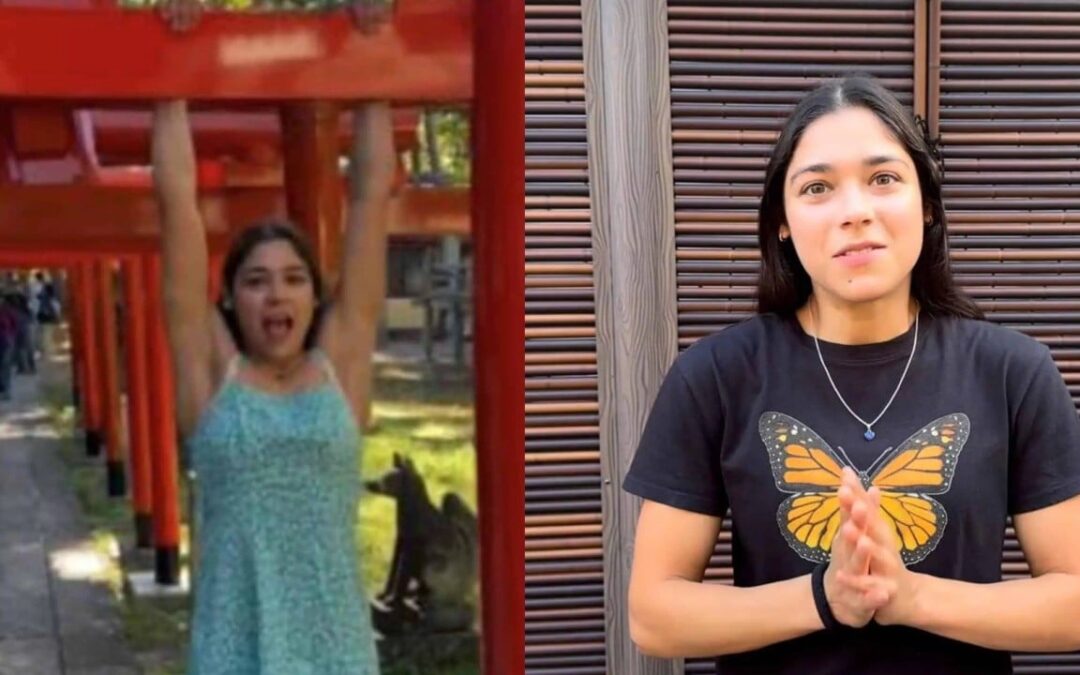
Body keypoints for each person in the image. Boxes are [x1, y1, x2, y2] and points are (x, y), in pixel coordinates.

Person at [623, 75, 1080, 674]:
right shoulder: (714, 376)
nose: (855, 212)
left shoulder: (1013, 372)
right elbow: (653, 615)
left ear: (929, 204)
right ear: (782, 222)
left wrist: (911, 597)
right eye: (817, 188)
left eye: (884, 179)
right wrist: (824, 597)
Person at [154, 4, 395, 673]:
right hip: (236, 652)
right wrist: (172, 61)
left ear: (315, 296)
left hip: (336, 651)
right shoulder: (212, 376)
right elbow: (176, 203)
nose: (277, 293)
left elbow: (372, 195)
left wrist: (375, 53)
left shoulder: (340, 364)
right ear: (231, 298)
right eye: (257, 280)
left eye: (294, 278)